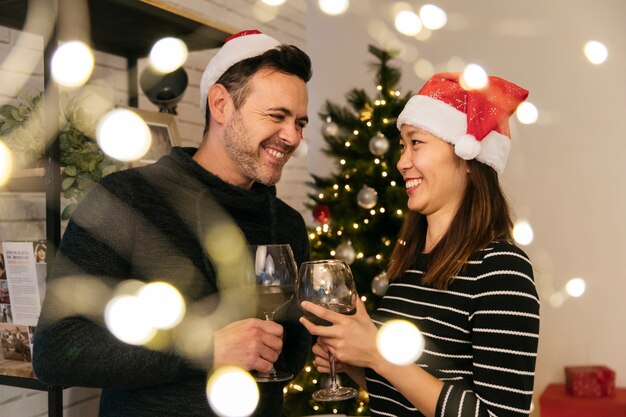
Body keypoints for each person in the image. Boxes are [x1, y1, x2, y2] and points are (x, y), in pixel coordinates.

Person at [33, 29, 312, 417]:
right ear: (220, 104)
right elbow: (56, 352)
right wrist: (205, 349)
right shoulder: (128, 199)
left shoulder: (288, 225)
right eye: (276, 116)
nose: (291, 136)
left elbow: (288, 353)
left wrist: (320, 337)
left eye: (299, 123)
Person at [300, 72, 540, 417]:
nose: (401, 161)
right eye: (402, 145)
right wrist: (357, 363)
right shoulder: (410, 261)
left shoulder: (502, 269)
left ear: (467, 157)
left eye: (417, 142)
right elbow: (409, 394)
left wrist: (378, 355)